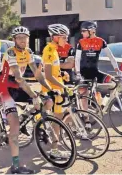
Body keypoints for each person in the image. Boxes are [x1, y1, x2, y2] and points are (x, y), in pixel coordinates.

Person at [0, 26, 55, 174]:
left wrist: (51, 89)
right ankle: (15, 166)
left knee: (47, 102)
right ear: (14, 40)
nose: (23, 40)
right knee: (14, 128)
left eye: (25, 37)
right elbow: (18, 77)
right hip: (5, 87)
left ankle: (25, 119)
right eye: (19, 38)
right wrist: (34, 95)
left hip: (18, 86)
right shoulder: (10, 53)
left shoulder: (28, 52)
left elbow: (38, 74)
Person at [75, 21, 122, 112]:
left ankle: (106, 103)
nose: (82, 33)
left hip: (95, 71)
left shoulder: (101, 41)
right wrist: (77, 73)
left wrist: (117, 70)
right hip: (83, 73)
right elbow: (77, 59)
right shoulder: (81, 42)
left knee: (113, 83)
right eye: (82, 31)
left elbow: (111, 57)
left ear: (92, 31)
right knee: (84, 95)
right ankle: (86, 118)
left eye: (84, 31)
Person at [41, 24, 72, 158]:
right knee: (57, 120)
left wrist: (62, 73)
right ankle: (54, 150)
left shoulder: (54, 49)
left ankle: (52, 140)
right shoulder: (48, 50)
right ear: (56, 37)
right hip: (52, 90)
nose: (66, 40)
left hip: (57, 88)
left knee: (58, 119)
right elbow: (48, 76)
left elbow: (54, 70)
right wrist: (64, 87)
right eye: (64, 37)